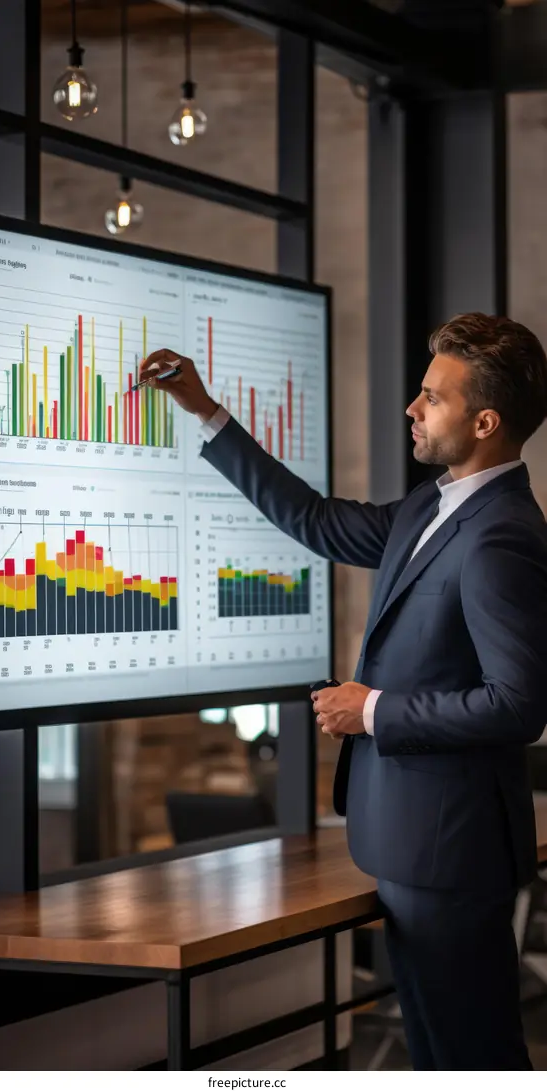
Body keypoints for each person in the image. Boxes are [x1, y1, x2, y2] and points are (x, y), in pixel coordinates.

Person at [140, 312, 547, 1071]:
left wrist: (372, 708)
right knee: (436, 1056)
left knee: (473, 1058)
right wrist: (207, 413)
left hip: (452, 856)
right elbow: (315, 519)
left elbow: (519, 703)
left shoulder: (502, 536)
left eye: (433, 397)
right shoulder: (433, 506)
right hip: (410, 843)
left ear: (485, 421)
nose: (412, 409)